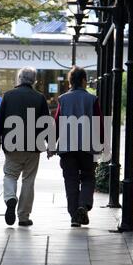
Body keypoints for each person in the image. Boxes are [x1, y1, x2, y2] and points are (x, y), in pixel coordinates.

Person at [0, 67, 49, 227]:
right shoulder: (40, 98)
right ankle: (23, 217)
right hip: (33, 146)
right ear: (34, 80)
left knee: (10, 175)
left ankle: (10, 197)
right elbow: (46, 123)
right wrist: (50, 145)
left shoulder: (8, 96)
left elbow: (0, 120)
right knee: (28, 180)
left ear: (19, 78)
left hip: (12, 144)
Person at [51, 66, 104, 228]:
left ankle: (75, 216)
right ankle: (83, 204)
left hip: (67, 149)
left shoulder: (63, 99)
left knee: (71, 181)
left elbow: (57, 123)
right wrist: (101, 144)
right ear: (83, 81)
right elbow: (99, 124)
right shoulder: (92, 99)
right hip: (87, 147)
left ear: (70, 81)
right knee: (88, 176)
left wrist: (52, 145)